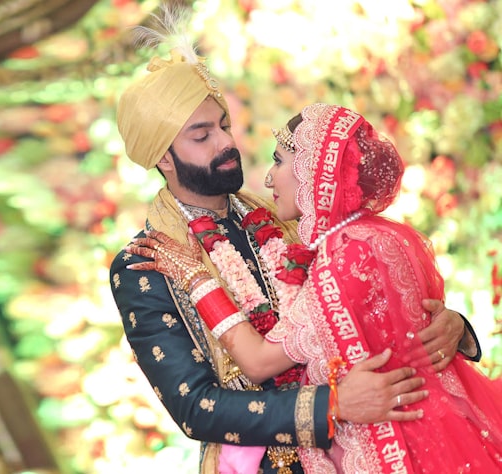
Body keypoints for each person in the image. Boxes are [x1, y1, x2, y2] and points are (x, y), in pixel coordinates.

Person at [109, 15, 480, 473]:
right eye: (202, 136)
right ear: (164, 157)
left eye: (224, 125)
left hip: (376, 436)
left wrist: (451, 327)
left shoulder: (286, 214)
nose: (227, 143)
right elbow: (196, 408)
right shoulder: (148, 262)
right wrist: (331, 405)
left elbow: (366, 304)